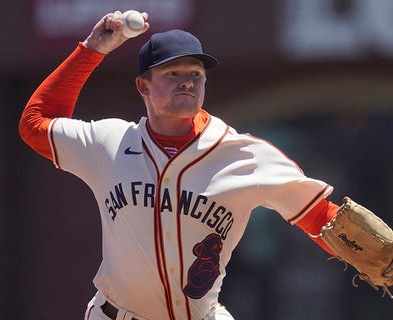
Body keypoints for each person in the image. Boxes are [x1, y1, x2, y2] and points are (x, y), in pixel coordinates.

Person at [19, 11, 345, 320]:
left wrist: (368, 258)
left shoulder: (243, 155)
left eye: (195, 75)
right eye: (172, 74)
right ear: (143, 86)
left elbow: (318, 216)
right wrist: (91, 51)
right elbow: (35, 124)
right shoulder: (110, 143)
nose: (186, 82)